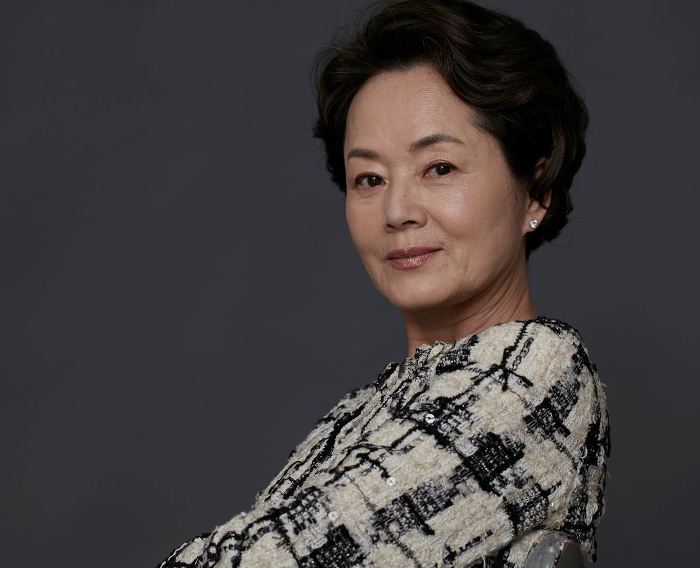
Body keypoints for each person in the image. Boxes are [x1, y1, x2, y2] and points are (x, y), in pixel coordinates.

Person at [156, 0, 611, 566]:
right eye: (369, 179)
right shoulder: (362, 410)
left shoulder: (532, 375)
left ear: (536, 191)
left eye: (439, 168)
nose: (397, 211)